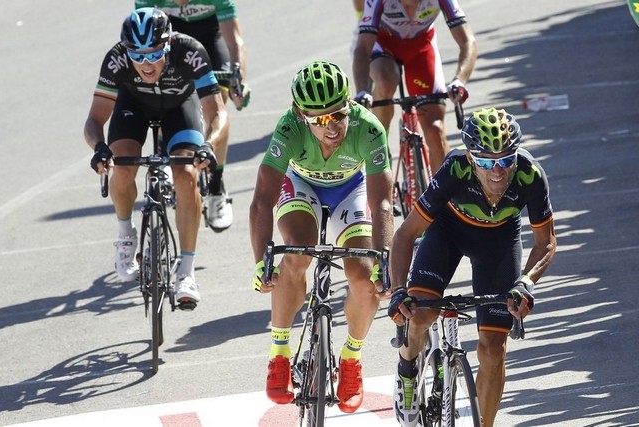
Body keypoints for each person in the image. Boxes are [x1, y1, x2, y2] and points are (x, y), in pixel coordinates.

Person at [387, 107, 557, 427]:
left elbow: (546, 242)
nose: (497, 172)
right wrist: (398, 291)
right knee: (421, 313)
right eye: (486, 162)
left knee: (494, 351)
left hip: (499, 244)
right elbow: (406, 233)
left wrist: (526, 283)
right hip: (448, 234)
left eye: (506, 160)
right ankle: (408, 367)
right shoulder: (454, 169)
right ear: (469, 158)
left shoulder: (530, 174)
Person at [249, 61, 394, 413]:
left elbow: (383, 203)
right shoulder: (289, 128)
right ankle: (280, 353)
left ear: (349, 104)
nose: (331, 127)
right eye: (318, 120)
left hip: (351, 190)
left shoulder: (369, 129)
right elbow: (262, 200)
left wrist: (384, 259)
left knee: (363, 278)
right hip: (302, 185)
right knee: (296, 256)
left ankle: (351, 360)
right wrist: (260, 261)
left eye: (338, 114)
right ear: (301, 115)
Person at [84, 7, 228, 306]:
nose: (146, 64)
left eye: (153, 55)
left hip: (179, 106)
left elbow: (218, 113)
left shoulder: (190, 52)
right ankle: (126, 234)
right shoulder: (116, 59)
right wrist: (99, 147)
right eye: (137, 56)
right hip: (132, 106)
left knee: (186, 175)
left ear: (168, 44)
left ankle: (186, 272)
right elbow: (94, 121)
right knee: (122, 166)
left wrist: (209, 145)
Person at [135, 0, 250, 232]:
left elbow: (235, 41)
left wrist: (238, 81)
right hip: (168, 38)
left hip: (209, 35)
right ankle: (164, 153)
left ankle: (216, 187)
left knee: (219, 105)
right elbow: (140, 39)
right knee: (162, 92)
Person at [352, 0, 477, 172]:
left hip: (420, 49)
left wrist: (459, 80)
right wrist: (362, 91)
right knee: (385, 80)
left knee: (435, 129)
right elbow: (362, 49)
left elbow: (468, 41)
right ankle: (379, 143)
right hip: (383, 46)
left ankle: (442, 196)